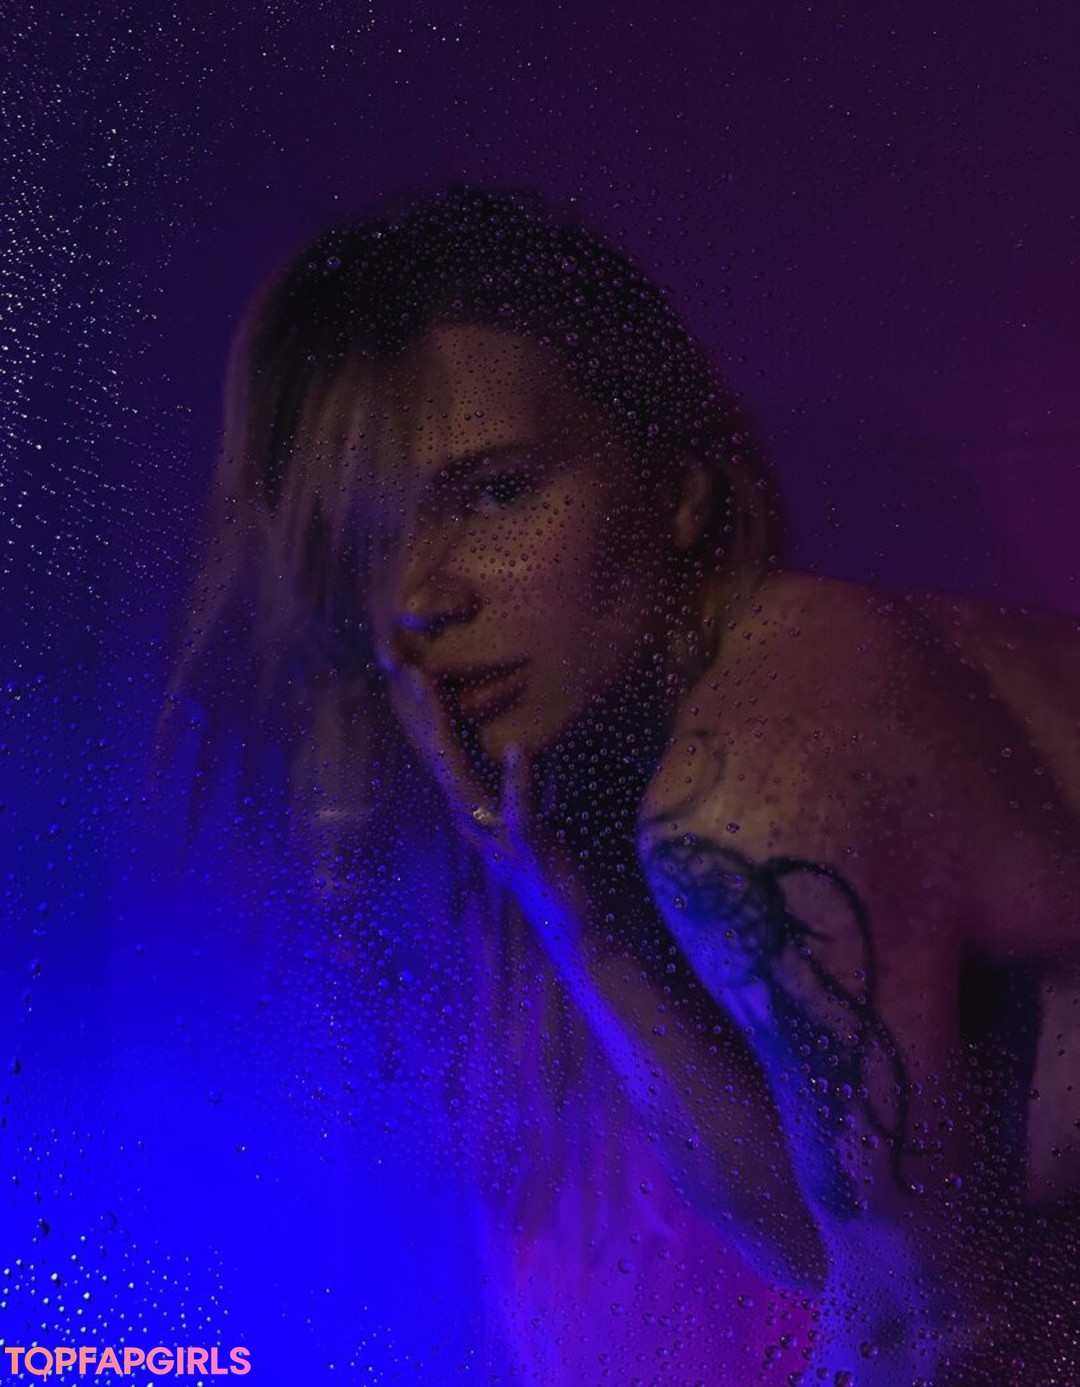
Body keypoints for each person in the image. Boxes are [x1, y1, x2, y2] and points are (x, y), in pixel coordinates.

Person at [169, 187, 1080, 1384]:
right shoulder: (759, 723)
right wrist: (564, 906)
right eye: (374, 536)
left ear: (680, 486)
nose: (423, 594)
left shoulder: (771, 763)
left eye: (495, 492)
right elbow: (824, 1247)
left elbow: (942, 1338)